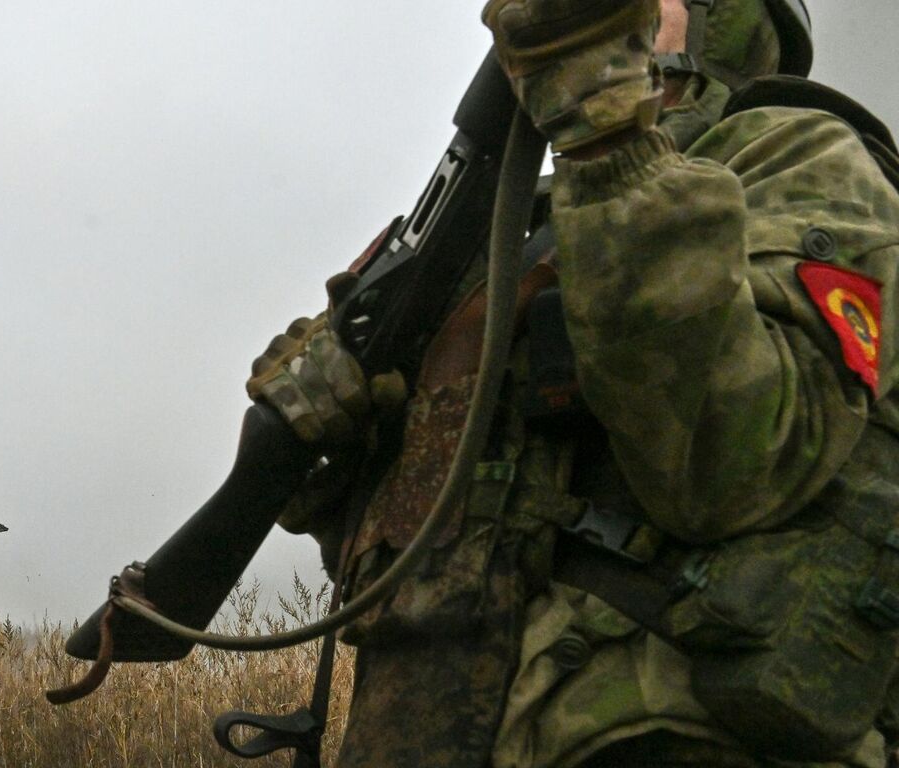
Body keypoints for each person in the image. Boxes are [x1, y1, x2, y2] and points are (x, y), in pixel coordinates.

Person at [247, 1, 899, 766]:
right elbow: (417, 541)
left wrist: (610, 142)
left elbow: (730, 459)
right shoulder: (514, 226)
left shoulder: (802, 155)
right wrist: (323, 434)